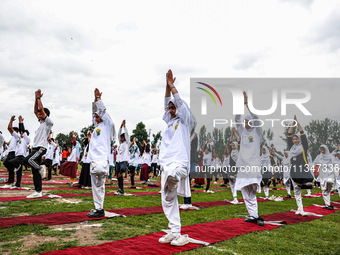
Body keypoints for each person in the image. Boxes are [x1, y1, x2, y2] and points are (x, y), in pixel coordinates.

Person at [158, 69, 195, 246]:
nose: (172, 110)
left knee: (175, 174)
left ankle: (173, 179)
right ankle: (175, 232)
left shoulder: (185, 120)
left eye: (174, 108)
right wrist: (166, 87)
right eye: (171, 108)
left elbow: (178, 102)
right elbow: (167, 102)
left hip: (179, 162)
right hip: (166, 163)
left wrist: (173, 86)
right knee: (167, 198)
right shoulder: (170, 122)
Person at [235, 91, 264, 226]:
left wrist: (247, 104)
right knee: (245, 193)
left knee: (253, 188)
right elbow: (236, 119)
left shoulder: (257, 132)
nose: (246, 123)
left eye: (249, 121)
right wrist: (240, 105)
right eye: (245, 121)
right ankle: (254, 216)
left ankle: (255, 215)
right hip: (243, 166)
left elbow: (257, 118)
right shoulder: (242, 132)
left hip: (253, 166)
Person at [87, 88, 115, 218]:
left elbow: (102, 111)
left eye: (98, 116)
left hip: (102, 159)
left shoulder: (107, 125)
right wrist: (94, 100)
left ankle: (100, 207)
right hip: (93, 159)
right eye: (96, 116)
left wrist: (99, 99)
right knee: (96, 185)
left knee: (100, 183)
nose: (96, 117)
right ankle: (98, 208)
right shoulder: (97, 126)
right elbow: (95, 112)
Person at [25, 89, 54, 198]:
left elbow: (41, 109)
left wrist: (39, 98)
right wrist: (35, 99)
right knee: (33, 169)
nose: (38, 114)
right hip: (36, 148)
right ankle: (38, 191)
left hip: (41, 148)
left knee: (28, 160)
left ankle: (41, 167)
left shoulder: (48, 123)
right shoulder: (40, 123)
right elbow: (35, 111)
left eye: (40, 113)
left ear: (45, 114)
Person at [287, 115, 314, 216]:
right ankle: (300, 208)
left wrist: (298, 124)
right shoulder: (291, 148)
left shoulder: (303, 146)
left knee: (305, 183)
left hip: (302, 170)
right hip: (293, 171)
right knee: (296, 191)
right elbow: (289, 134)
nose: (295, 141)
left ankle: (309, 183)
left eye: (296, 139)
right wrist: (292, 124)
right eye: (294, 139)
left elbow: (303, 135)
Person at [7, 116, 30, 189]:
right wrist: (11, 120)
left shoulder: (27, 139)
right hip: (17, 156)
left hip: (22, 156)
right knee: (18, 173)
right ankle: (17, 185)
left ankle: (18, 166)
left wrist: (21, 122)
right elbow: (10, 129)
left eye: (22, 133)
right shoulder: (18, 138)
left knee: (9, 162)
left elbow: (22, 130)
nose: (21, 133)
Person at [313, 145, 336, 210]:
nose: (322, 150)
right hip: (322, 174)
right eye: (321, 148)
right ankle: (327, 204)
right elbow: (314, 163)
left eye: (323, 148)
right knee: (324, 189)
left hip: (330, 173)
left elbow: (335, 163)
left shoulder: (330, 156)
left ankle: (328, 190)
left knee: (329, 182)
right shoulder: (319, 156)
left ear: (326, 149)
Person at [2, 116, 20, 188]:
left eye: (12, 131)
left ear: (15, 131)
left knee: (7, 163)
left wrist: (11, 121)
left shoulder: (16, 135)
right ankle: (11, 180)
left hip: (13, 153)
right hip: (10, 153)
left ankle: (16, 168)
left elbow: (9, 128)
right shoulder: (12, 138)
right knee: (8, 165)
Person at [115, 120, 129, 195]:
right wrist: (120, 126)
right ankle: (121, 189)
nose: (121, 138)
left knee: (122, 171)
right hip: (118, 161)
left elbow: (126, 134)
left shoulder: (127, 143)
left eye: (122, 137)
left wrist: (124, 127)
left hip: (123, 161)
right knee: (118, 177)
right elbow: (118, 134)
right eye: (121, 137)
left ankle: (121, 173)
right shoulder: (120, 144)